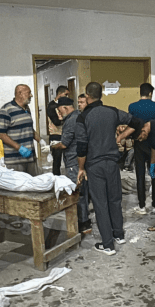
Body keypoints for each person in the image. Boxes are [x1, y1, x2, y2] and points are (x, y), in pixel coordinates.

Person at [76, 82, 143, 256]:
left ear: (87, 96)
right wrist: (121, 136)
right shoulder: (113, 112)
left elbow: (82, 147)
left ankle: (107, 244)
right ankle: (118, 235)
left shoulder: (83, 117)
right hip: (113, 164)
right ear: (101, 95)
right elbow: (136, 121)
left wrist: (81, 168)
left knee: (100, 203)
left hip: (95, 165)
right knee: (115, 200)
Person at [50, 97, 91, 234]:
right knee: (83, 192)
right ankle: (85, 221)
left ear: (66, 107)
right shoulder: (79, 116)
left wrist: (53, 146)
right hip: (83, 159)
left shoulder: (71, 120)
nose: (58, 114)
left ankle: (83, 223)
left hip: (74, 161)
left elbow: (65, 143)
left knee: (77, 193)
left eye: (59, 110)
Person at [127, 83, 155, 215]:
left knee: (140, 175)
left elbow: (132, 124)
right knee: (154, 173)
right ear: (150, 94)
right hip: (154, 143)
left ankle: (141, 206)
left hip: (139, 143)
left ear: (140, 92)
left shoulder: (132, 106)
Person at [0, 84, 44, 176]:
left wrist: (41, 140)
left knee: (34, 185)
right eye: (29, 93)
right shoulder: (6, 110)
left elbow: (29, 129)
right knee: (19, 187)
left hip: (30, 158)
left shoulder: (27, 109)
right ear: (20, 93)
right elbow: (1, 134)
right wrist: (19, 148)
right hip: (15, 160)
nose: (31, 95)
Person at [47, 85, 70, 175]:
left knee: (68, 159)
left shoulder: (65, 105)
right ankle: (56, 179)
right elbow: (56, 121)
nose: (67, 97)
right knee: (57, 162)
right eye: (66, 94)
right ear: (60, 94)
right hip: (55, 135)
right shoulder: (52, 106)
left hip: (65, 134)